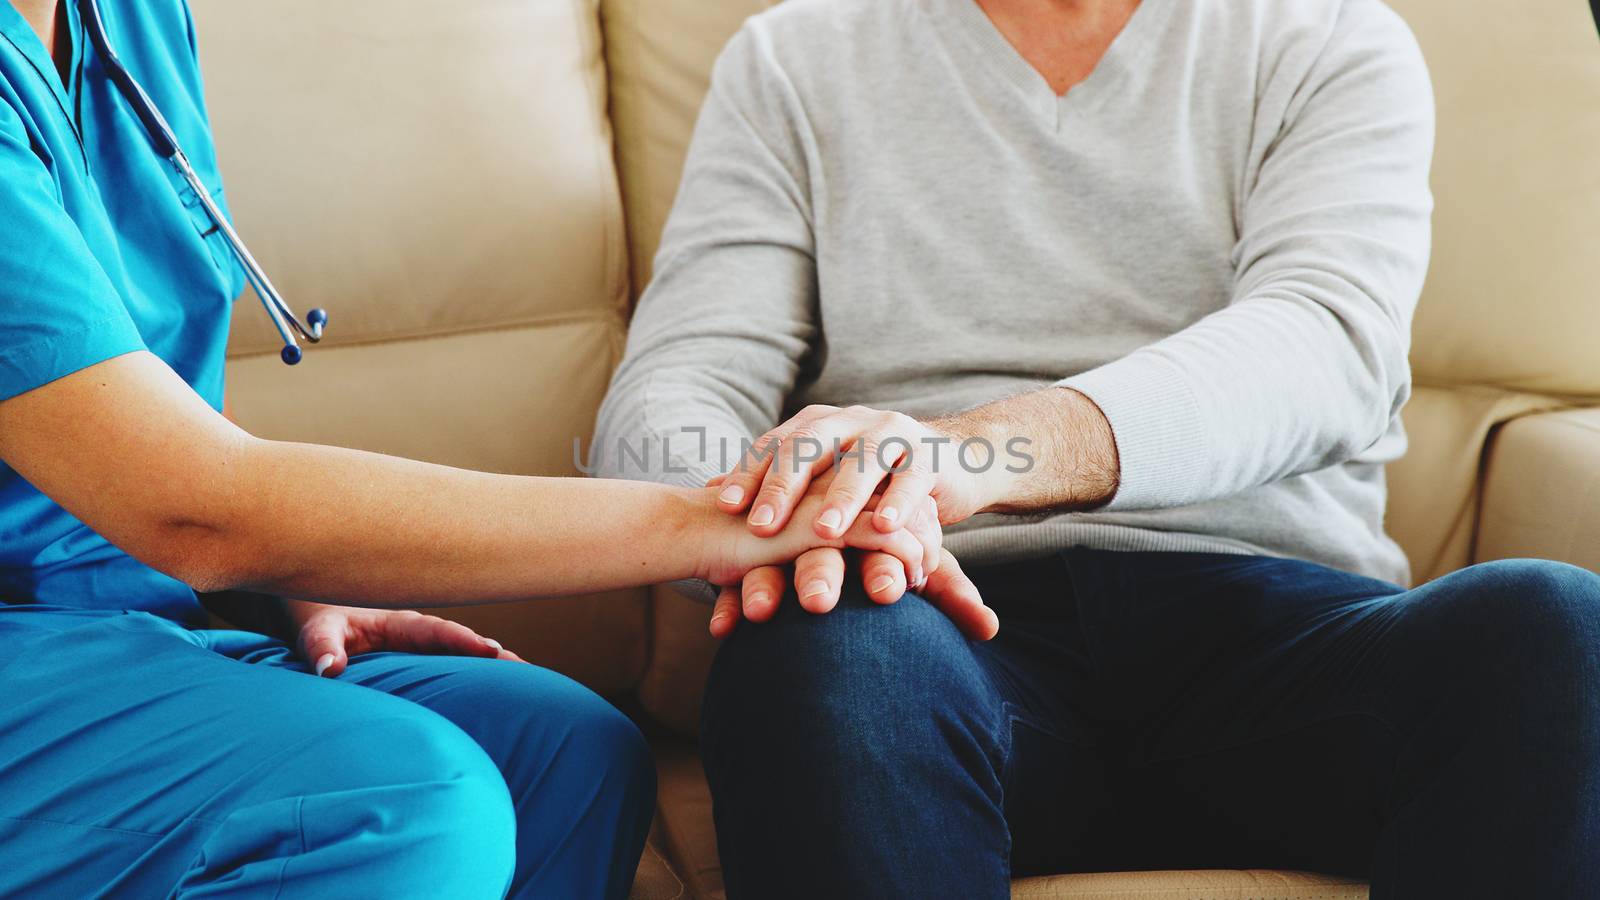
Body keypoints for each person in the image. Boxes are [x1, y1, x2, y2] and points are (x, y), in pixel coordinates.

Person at [592, 0, 1600, 896]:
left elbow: (1328, 341)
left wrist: (966, 460)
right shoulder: (793, 56)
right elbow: (672, 391)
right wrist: (778, 514)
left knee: (1559, 629)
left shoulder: (1327, 33)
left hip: (1280, 631)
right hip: (924, 619)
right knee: (820, 648)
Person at [0, 1, 988, 897]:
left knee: (565, 754)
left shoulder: (127, 17)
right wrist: (722, 520)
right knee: (409, 802)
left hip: (123, 615)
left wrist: (294, 577)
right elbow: (192, 502)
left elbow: (123, 420)